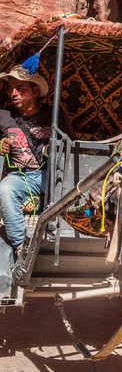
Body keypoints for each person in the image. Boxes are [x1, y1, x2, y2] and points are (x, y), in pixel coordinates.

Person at [0, 63, 51, 262]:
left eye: (20, 88)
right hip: (22, 176)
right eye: (11, 88)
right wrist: (1, 144)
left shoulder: (53, 115)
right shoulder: (3, 116)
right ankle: (22, 247)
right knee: (5, 189)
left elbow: (70, 143)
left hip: (51, 175)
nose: (13, 93)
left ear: (35, 91)